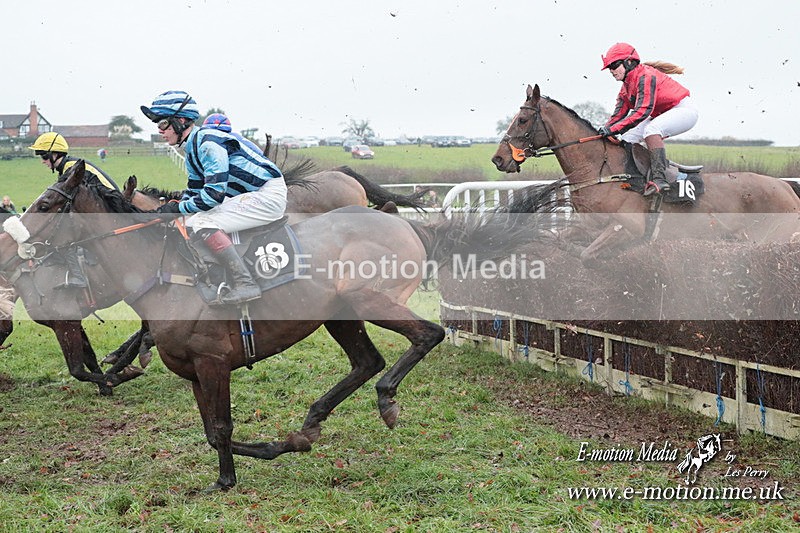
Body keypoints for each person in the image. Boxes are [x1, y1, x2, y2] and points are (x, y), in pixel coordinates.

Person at [141, 90, 287, 306]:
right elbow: (195, 192)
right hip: (250, 194)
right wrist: (171, 209)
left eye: (163, 124)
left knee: (202, 221)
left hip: (267, 195)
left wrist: (179, 209)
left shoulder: (208, 144)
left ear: (180, 122)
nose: (160, 131)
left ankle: (245, 283)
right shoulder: (192, 149)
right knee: (191, 221)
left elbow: (213, 195)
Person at [598, 43, 698, 196]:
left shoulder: (646, 76)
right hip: (661, 114)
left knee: (651, 130)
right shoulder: (625, 88)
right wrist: (604, 130)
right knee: (628, 137)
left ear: (629, 62)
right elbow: (618, 115)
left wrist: (614, 129)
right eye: (609, 67)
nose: (611, 70)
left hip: (683, 110)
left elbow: (643, 111)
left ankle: (660, 179)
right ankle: (637, 178)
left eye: (614, 65)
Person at [28, 132, 120, 289]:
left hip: (110, 213)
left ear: (55, 154)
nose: (42, 161)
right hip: (105, 211)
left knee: (64, 236)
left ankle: (79, 277)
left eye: (43, 156)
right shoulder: (69, 167)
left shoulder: (71, 169)